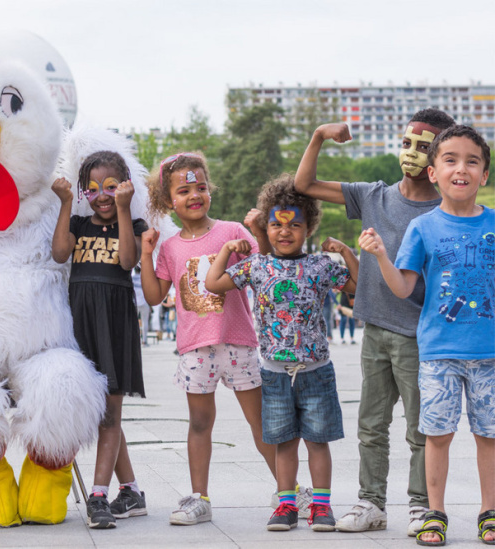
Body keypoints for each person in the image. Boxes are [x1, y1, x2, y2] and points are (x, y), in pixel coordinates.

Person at [295, 108, 456, 536]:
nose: (413, 153)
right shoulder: (374, 196)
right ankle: (372, 502)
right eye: (407, 142)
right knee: (371, 424)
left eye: (426, 147)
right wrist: (318, 138)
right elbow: (304, 185)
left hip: (422, 334)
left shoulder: (447, 210)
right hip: (376, 331)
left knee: (422, 428)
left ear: (441, 155)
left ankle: (423, 506)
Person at [358, 125, 494, 546]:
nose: (461, 168)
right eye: (450, 159)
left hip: (490, 355)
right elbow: (403, 288)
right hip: (437, 353)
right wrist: (380, 255)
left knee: (489, 436)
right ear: (433, 172)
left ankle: (489, 513)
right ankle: (435, 513)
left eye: (472, 161)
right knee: (436, 436)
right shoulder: (422, 228)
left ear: (484, 175)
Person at [140, 151, 291, 526]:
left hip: (239, 342)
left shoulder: (231, 232)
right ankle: (199, 497)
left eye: (201, 187)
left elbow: (268, 263)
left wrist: (256, 233)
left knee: (261, 424)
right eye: (184, 189)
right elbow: (154, 296)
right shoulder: (170, 247)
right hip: (196, 349)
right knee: (199, 424)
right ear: (168, 200)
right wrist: (146, 253)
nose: (194, 194)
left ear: (211, 191)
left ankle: (287, 492)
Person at [204, 174, 359, 532]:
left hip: (316, 371)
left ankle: (321, 506)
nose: (284, 232)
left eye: (294, 225)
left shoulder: (321, 266)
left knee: (318, 442)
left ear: (308, 228)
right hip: (273, 373)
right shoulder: (257, 266)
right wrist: (227, 250)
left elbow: (356, 287)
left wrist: (347, 253)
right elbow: (213, 285)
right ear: (266, 227)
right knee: (284, 442)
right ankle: (286, 504)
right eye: (275, 224)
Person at [51, 150, 147, 529]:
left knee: (109, 413)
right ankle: (132, 491)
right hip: (80, 323)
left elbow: (126, 261)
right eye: (92, 189)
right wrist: (64, 204)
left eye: (111, 187)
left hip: (115, 322)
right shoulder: (77, 222)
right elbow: (60, 253)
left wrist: (124, 209)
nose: (102, 195)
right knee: (100, 413)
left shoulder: (134, 224)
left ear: (125, 186)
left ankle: (98, 496)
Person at [132, 265, 150, 346]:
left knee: (134, 323)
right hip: (144, 302)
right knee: (145, 322)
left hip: (135, 302)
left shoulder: (132, 278)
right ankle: (144, 341)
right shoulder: (144, 278)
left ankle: (135, 341)